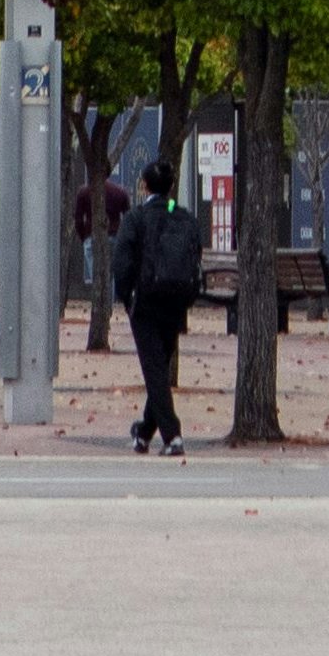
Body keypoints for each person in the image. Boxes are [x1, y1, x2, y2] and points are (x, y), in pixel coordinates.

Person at [115, 154, 206, 453]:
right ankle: (143, 432)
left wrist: (125, 296)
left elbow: (123, 262)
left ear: (144, 186)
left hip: (146, 303)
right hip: (176, 302)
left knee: (154, 369)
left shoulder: (136, 219)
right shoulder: (184, 217)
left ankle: (172, 435)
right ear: (170, 186)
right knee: (159, 365)